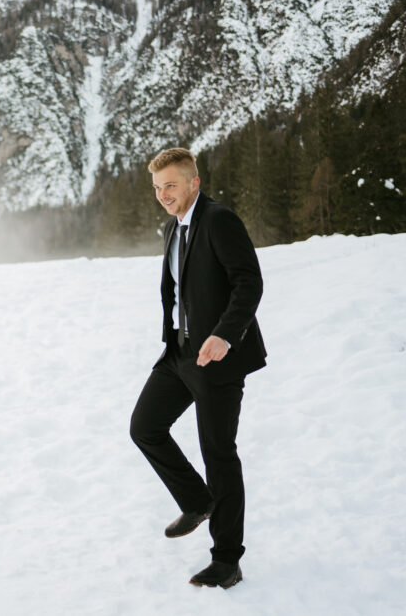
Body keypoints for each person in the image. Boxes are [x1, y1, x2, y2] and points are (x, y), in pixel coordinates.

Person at [129, 148, 266, 589]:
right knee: (145, 427)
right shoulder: (174, 227)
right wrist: (175, 340)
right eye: (157, 188)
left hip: (218, 358)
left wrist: (225, 335)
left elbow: (249, 281)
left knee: (218, 456)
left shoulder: (218, 220)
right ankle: (195, 500)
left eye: (171, 185)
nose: (163, 195)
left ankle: (227, 560)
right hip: (180, 354)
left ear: (194, 182)